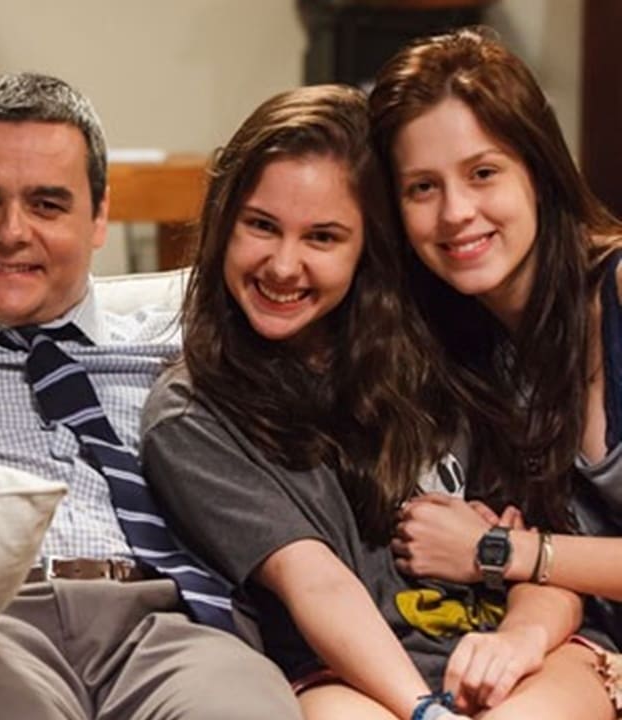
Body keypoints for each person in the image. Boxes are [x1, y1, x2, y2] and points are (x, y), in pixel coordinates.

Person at [0, 72, 299, 720]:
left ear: (99, 216)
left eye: (47, 205)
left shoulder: (184, 348)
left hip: (168, 627)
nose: (12, 232)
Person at [140, 83, 613, 719]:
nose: (283, 265)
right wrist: (424, 711)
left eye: (323, 237)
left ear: (367, 245)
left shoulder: (446, 348)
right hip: (345, 674)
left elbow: (544, 552)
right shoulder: (191, 414)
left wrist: (515, 641)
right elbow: (317, 584)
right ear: (224, 223)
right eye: (261, 226)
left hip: (527, 646)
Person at [367, 27, 622, 711]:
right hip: (589, 649)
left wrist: (499, 550)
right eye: (423, 187)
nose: (456, 213)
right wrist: (517, 637)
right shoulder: (461, 349)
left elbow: (525, 548)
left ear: (538, 170)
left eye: (483, 173)